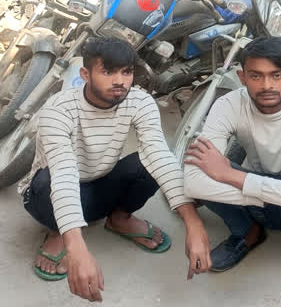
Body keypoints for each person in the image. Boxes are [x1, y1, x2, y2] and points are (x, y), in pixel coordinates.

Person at [18, 37, 211, 301]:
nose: (120, 81)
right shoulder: (59, 109)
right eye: (107, 71)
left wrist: (193, 223)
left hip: (100, 184)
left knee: (150, 160)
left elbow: (160, 156)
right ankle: (60, 234)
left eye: (126, 72)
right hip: (51, 193)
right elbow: (63, 176)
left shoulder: (140, 103)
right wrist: (78, 249)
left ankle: (119, 218)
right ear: (86, 74)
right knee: (48, 180)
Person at [183, 37, 281, 288]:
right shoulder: (228, 105)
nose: (267, 85)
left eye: (276, 75)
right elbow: (193, 183)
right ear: (242, 77)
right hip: (273, 198)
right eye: (256, 76)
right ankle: (247, 232)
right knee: (203, 168)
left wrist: (233, 176)